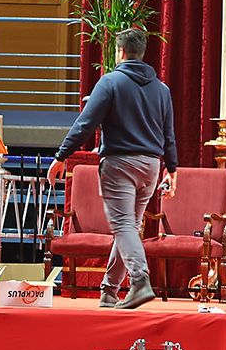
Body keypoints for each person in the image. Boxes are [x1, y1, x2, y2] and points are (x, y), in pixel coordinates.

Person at [47, 28, 178, 309]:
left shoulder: (110, 82)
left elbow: (85, 124)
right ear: (142, 54)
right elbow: (169, 134)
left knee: (123, 225)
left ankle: (140, 280)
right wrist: (173, 170)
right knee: (129, 226)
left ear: (119, 52)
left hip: (120, 164)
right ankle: (109, 291)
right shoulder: (162, 89)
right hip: (151, 167)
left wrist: (61, 156)